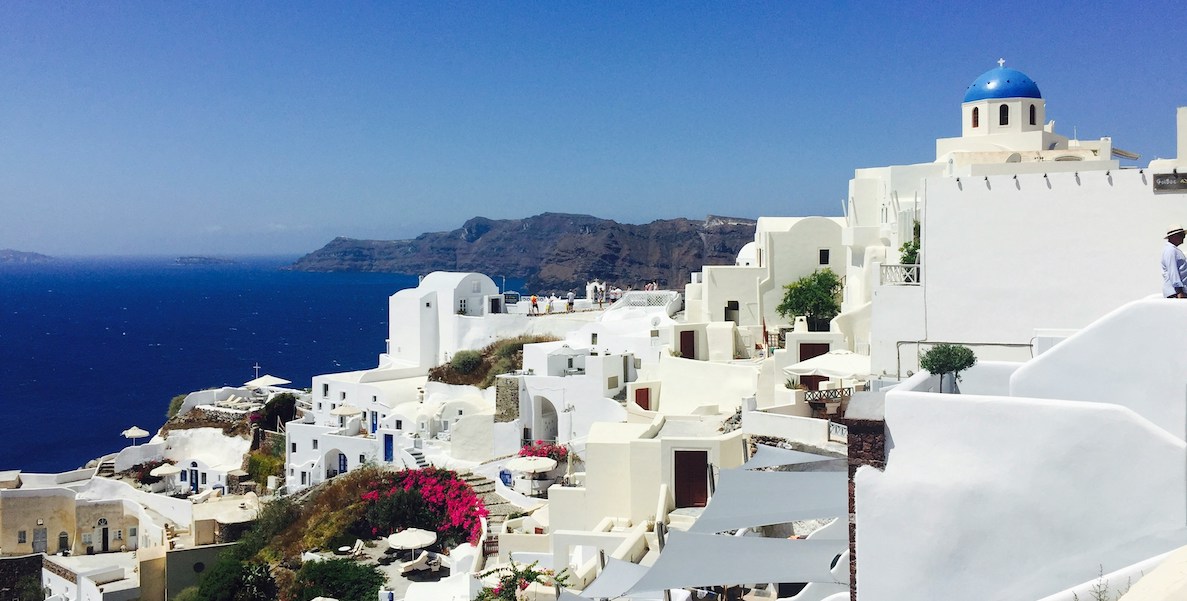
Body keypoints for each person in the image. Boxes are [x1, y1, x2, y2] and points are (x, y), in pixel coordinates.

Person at [1163, 225, 1187, 298]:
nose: (1184, 237)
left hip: (1178, 291)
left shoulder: (1173, 250)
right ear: (1174, 236)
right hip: (1176, 293)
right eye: (1181, 235)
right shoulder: (1171, 251)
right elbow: (1173, 271)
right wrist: (1179, 291)